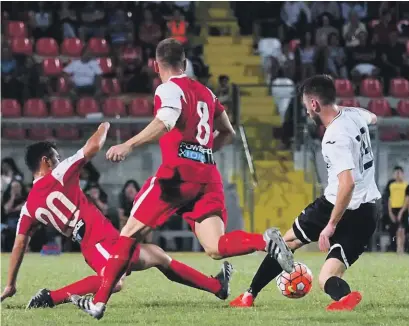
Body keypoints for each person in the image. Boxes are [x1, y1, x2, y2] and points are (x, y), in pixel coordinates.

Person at [72, 38, 294, 319]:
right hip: (207, 176)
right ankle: (264, 241)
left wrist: (128, 145)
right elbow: (228, 132)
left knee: (127, 234)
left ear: (156, 65)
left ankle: (99, 302)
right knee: (215, 247)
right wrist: (202, 151)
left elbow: (165, 120)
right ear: (185, 64)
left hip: (177, 177)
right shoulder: (206, 92)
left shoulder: (168, 89)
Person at [0, 127, 233, 308]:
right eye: (56, 157)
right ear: (46, 161)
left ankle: (217, 286)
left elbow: (20, 244)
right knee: (113, 282)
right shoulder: (59, 173)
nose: (60, 160)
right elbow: (93, 146)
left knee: (158, 255)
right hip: (97, 243)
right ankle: (50, 298)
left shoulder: (28, 207)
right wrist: (105, 126)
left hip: (106, 240)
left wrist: (11, 283)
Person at [230, 75, 381, 311]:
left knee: (285, 243)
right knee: (326, 278)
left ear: (314, 104)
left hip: (335, 205)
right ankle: (344, 298)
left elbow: (347, 184)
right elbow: (372, 116)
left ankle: (249, 295)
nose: (307, 112)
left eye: (305, 106)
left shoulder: (334, 136)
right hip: (369, 209)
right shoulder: (353, 114)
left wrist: (331, 225)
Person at [385, 166, 409, 254]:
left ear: (402, 174)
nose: (397, 175)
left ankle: (401, 248)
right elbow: (389, 199)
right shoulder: (391, 186)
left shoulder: (406, 185)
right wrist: (390, 212)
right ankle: (397, 249)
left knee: (402, 230)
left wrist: (402, 212)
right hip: (393, 209)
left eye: (399, 173)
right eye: (396, 173)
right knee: (396, 230)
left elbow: (407, 199)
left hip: (402, 209)